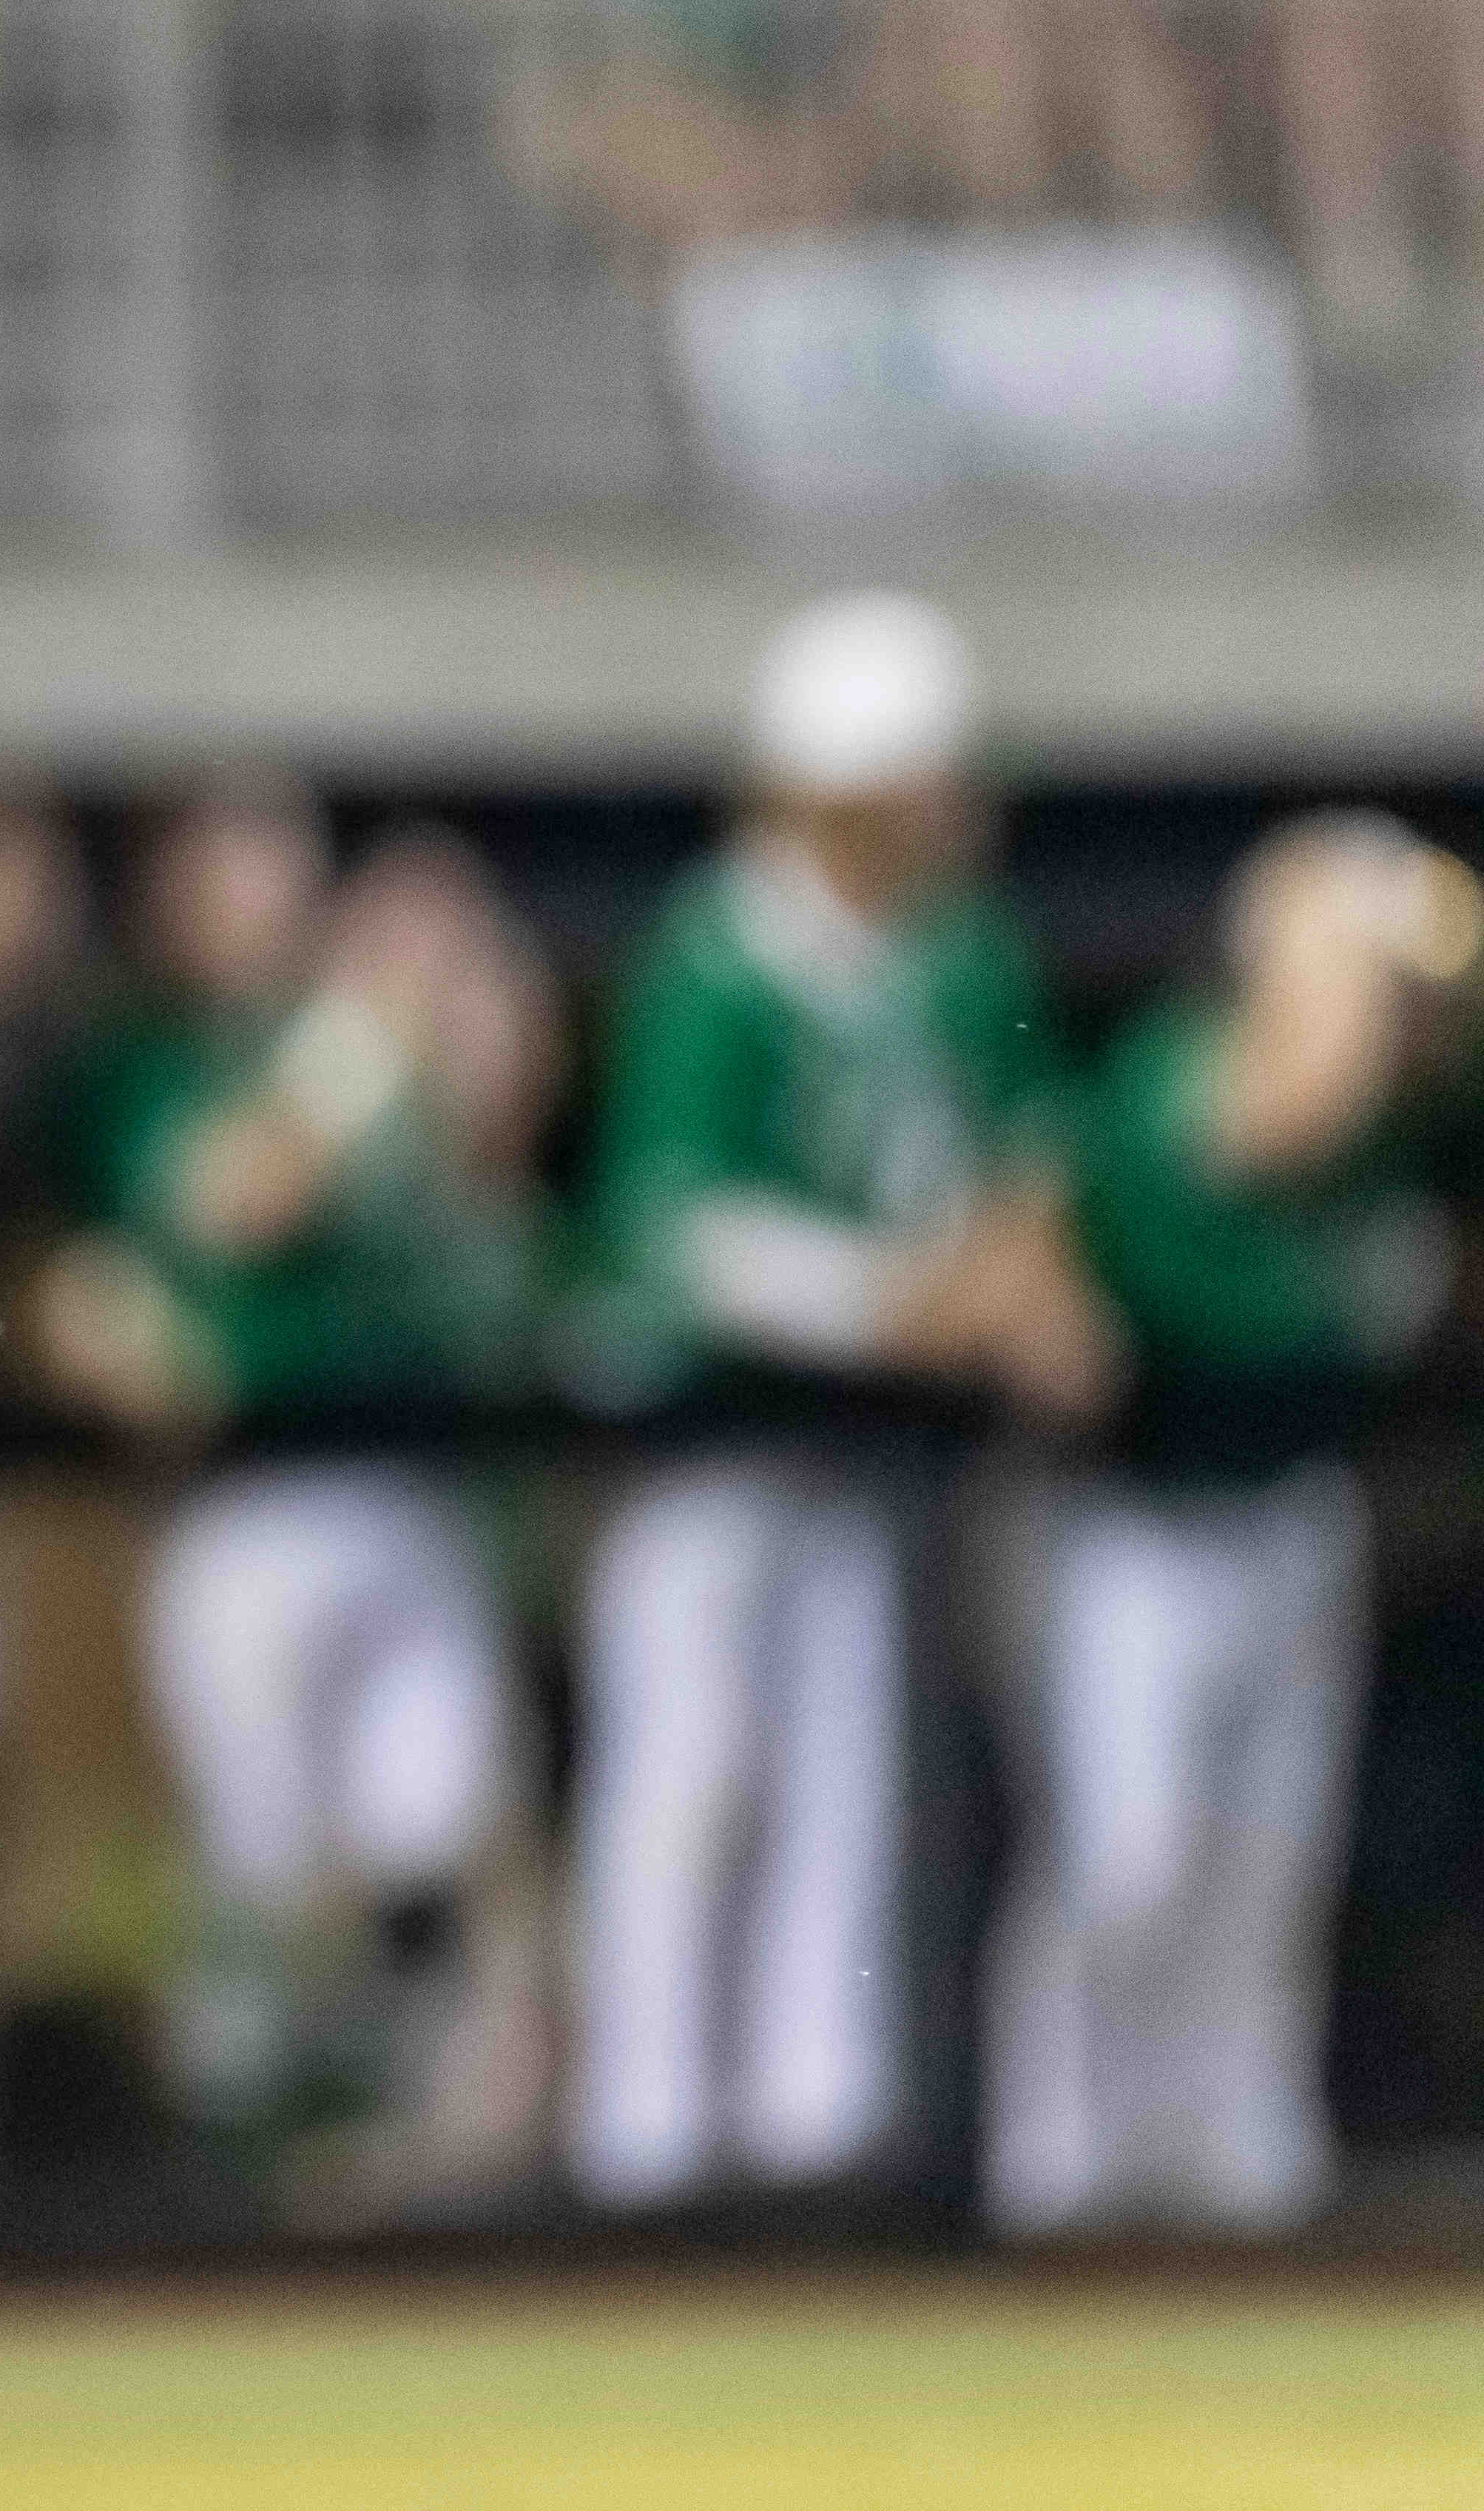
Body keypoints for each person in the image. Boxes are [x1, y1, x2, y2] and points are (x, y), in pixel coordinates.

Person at [562, 590, 1113, 2216]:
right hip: (703, 1439)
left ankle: (818, 2142)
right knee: (693, 1776)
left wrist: (1017, 1275)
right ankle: (648, 2143)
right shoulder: (716, 956)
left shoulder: (961, 951)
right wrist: (895, 1300)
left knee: (847, 1786)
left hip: (868, 1448)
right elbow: (674, 1228)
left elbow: (1028, 1147)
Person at [36, 782, 559, 2225]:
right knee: (269, 1865)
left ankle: (397, 2159)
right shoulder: (169, 1059)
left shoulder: (372, 1054)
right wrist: (366, 1036)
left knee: (432, 1831)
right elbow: (233, 1199)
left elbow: (496, 1185)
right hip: (247, 1511)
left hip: (413, 1490)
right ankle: (232, 2174)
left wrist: (464, 1019)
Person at [989, 812, 1479, 2237]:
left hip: (1290, 1520)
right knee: (1130, 1864)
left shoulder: (1412, 1122)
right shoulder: (1165, 1084)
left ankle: (1242, 2193)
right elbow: (1224, 1145)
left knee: (1267, 1875)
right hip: (1131, 1531)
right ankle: (1059, 2183)